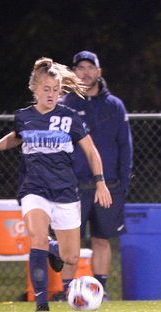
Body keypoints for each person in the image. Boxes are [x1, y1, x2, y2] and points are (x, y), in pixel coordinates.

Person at [0, 57, 112, 311]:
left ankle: (54, 248)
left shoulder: (69, 117)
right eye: (46, 89)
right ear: (35, 89)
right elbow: (16, 137)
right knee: (37, 237)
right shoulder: (24, 116)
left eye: (56, 90)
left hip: (65, 191)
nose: (51, 95)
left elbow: (91, 151)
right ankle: (42, 304)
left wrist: (100, 183)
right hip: (34, 188)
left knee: (70, 257)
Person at [57, 50, 133, 299]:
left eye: (90, 67)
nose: (86, 72)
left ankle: (100, 290)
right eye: (80, 67)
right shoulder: (65, 104)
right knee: (70, 241)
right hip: (73, 186)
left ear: (99, 72)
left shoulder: (114, 105)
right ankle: (67, 290)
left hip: (107, 186)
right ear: (73, 73)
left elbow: (125, 146)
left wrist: (122, 183)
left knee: (102, 239)